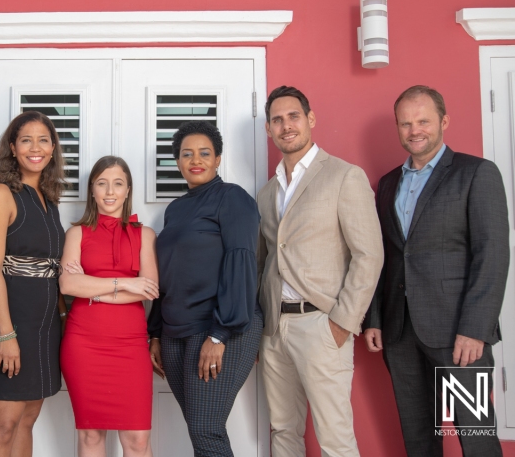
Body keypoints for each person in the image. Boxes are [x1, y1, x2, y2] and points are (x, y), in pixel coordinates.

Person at [363, 85, 508, 456]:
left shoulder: (476, 173)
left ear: (443, 121)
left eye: (423, 121)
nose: (415, 130)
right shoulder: (388, 184)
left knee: (476, 439)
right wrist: (374, 318)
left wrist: (474, 330)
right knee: (419, 440)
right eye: (406, 123)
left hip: (458, 335)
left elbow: (492, 255)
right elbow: (385, 257)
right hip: (400, 332)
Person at [256, 85, 383, 457]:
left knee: (335, 438)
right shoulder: (267, 193)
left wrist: (343, 321)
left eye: (293, 116)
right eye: (277, 120)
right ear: (268, 129)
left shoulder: (345, 176)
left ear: (310, 120)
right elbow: (267, 260)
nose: (286, 125)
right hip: (275, 328)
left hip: (322, 325)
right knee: (283, 430)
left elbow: (369, 254)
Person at [147, 120, 263, 457]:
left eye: (204, 153)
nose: (195, 160)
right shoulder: (176, 209)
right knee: (200, 431)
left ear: (218, 159)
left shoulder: (233, 199)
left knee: (206, 430)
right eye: (186, 154)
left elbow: (241, 264)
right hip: (175, 332)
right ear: (178, 161)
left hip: (218, 327)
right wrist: (155, 332)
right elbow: (168, 274)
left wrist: (220, 334)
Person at [0, 110, 68, 457]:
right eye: (26, 140)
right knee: (2, 426)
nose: (36, 147)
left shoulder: (50, 200)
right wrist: (6, 334)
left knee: (27, 420)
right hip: (11, 322)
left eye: (43, 140)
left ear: (52, 149)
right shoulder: (2, 193)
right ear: (12, 148)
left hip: (45, 325)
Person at [59, 156, 159, 457]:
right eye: (102, 183)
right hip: (84, 344)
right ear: (92, 190)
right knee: (90, 435)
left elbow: (149, 290)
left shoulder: (146, 235)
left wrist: (90, 288)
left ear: (128, 190)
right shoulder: (76, 233)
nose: (110, 191)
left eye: (118, 183)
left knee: (138, 440)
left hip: (130, 346)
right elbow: (67, 286)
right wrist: (125, 283)